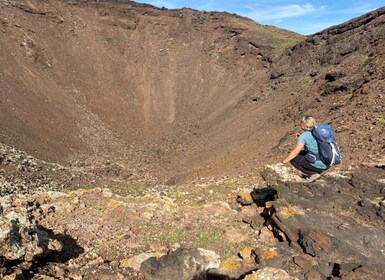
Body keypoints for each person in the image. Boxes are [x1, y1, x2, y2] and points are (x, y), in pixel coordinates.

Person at [279, 116, 328, 182]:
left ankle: (313, 173)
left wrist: (283, 162)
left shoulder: (304, 136)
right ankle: (319, 171)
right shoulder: (318, 132)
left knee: (293, 159)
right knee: (302, 153)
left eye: (301, 123)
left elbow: (295, 152)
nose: (300, 124)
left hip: (319, 165)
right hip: (327, 162)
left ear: (305, 125)